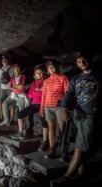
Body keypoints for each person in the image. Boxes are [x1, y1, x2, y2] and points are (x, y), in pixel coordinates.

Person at [51, 54, 99, 185]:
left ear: (89, 61)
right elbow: (68, 94)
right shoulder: (76, 78)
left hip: (89, 117)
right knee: (79, 145)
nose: (82, 62)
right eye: (79, 61)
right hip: (76, 115)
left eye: (84, 60)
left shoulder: (98, 77)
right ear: (77, 64)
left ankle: (66, 177)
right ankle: (80, 176)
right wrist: (64, 108)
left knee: (79, 147)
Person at [40, 60, 69, 159]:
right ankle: (52, 149)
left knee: (62, 129)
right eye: (49, 68)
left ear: (56, 67)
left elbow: (67, 93)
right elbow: (43, 95)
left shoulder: (63, 78)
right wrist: (42, 108)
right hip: (48, 107)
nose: (51, 69)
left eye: (53, 67)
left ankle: (63, 150)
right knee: (51, 128)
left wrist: (65, 107)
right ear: (47, 70)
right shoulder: (46, 81)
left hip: (59, 107)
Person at [11, 66, 48, 143]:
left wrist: (36, 92)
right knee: (20, 114)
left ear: (43, 73)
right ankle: (20, 132)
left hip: (43, 105)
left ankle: (45, 140)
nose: (39, 74)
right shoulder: (34, 83)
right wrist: (38, 92)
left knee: (44, 123)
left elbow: (45, 94)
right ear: (35, 75)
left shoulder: (46, 82)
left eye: (40, 73)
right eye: (37, 73)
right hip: (34, 104)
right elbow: (29, 95)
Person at [0, 55, 13, 119]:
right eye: (3, 60)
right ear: (2, 62)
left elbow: (13, 78)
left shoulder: (11, 68)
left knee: (11, 103)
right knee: (0, 102)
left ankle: (11, 118)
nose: (4, 61)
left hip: (9, 88)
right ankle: (1, 117)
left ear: (7, 61)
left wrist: (12, 88)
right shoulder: (0, 69)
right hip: (3, 89)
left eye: (5, 60)